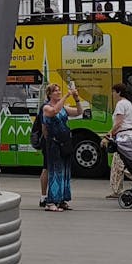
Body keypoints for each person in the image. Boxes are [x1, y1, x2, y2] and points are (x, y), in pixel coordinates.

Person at [39, 83, 78, 211]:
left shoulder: (64, 108)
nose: (58, 92)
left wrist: (77, 99)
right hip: (54, 144)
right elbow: (53, 111)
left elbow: (79, 112)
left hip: (64, 143)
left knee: (65, 171)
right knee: (55, 172)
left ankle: (61, 200)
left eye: (59, 90)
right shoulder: (46, 107)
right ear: (49, 94)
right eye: (55, 91)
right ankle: (51, 202)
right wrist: (67, 95)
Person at [105, 83, 132, 198]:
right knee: (120, 163)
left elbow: (119, 122)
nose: (112, 94)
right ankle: (117, 189)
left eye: (113, 92)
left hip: (123, 136)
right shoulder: (128, 103)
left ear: (118, 92)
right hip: (130, 135)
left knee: (120, 164)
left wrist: (109, 134)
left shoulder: (120, 104)